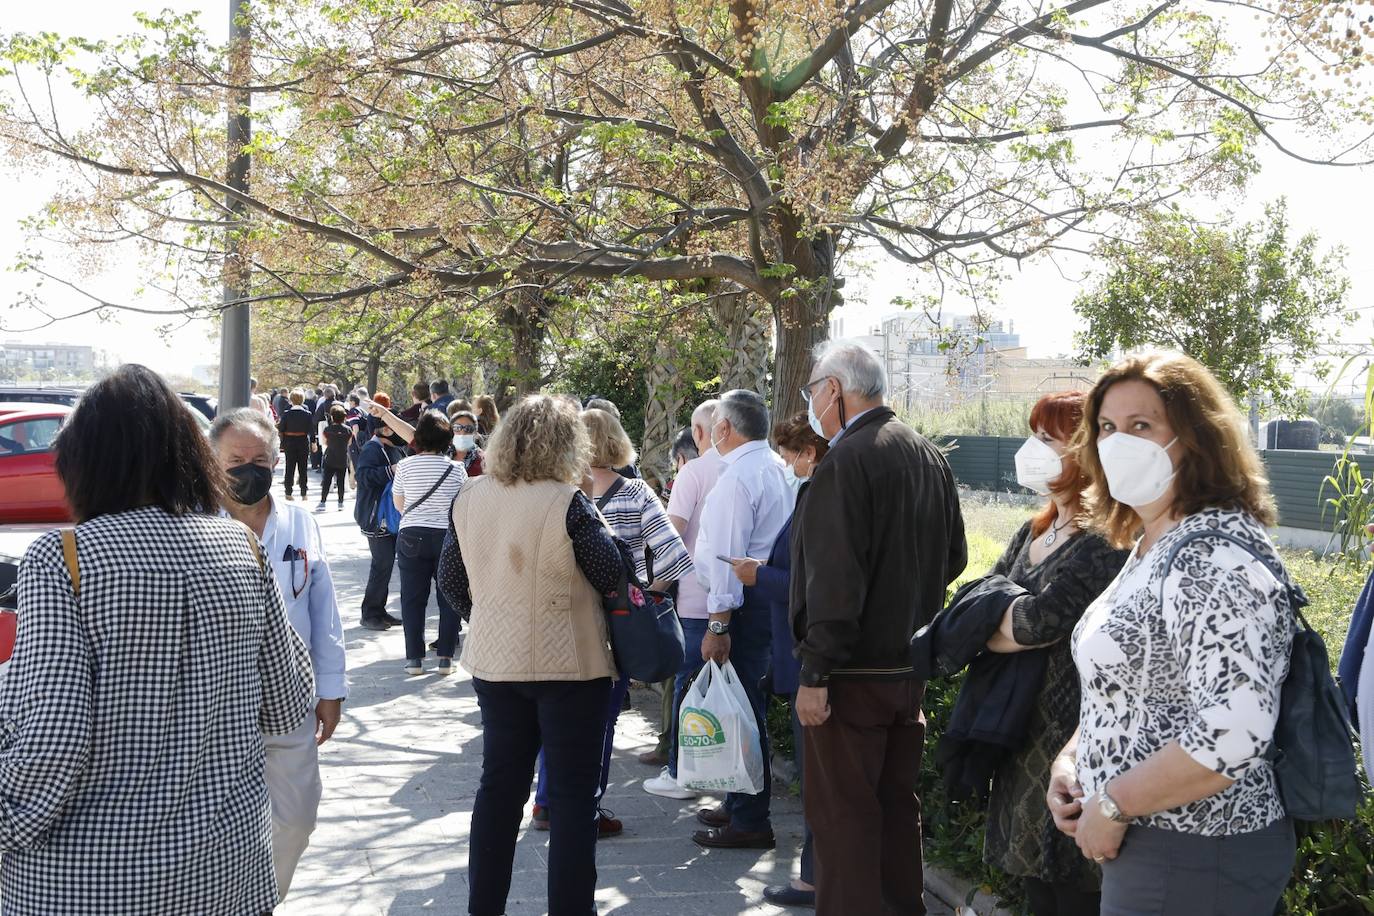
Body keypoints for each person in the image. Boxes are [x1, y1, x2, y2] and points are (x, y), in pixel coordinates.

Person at [6, 364, 314, 914]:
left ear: (83, 462)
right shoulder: (240, 546)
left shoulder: (66, 558)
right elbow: (289, 700)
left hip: (91, 880)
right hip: (228, 872)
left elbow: (52, 741)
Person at [1050, 352, 1296, 916]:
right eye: (1107, 427)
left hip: (1195, 849)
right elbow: (1125, 689)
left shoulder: (1211, 554)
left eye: (1142, 426)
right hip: (1157, 844)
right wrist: (1072, 763)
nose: (1118, 443)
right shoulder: (1154, 543)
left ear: (1195, 439)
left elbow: (1234, 730)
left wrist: (1112, 804)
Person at [791, 339, 967, 915]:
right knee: (895, 809)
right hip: (906, 670)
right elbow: (955, 558)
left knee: (844, 821)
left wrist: (816, 670)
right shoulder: (928, 455)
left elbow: (834, 584)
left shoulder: (846, 460)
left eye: (814, 390)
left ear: (835, 390)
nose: (812, 402)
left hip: (851, 675)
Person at [436, 395, 626, 916]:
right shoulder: (568, 500)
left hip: (496, 663)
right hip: (571, 664)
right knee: (570, 799)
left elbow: (451, 581)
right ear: (568, 446)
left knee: (498, 789)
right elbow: (610, 574)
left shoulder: (470, 496)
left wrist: (494, 611)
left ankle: (485, 908)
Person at [966, 392, 1129, 916]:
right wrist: (1001, 624)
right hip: (1018, 726)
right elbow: (977, 610)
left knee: (1074, 884)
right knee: (1036, 881)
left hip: (1071, 732)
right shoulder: (1031, 529)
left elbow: (1042, 621)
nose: (1032, 449)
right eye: (1032, 434)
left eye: (1047, 438)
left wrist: (1000, 624)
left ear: (1083, 452)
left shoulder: (1106, 540)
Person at [531, 408, 693, 838]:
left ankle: (546, 800)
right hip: (617, 627)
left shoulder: (556, 493)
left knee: (556, 715)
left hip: (560, 621)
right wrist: (646, 593)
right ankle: (586, 804)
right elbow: (676, 557)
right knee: (602, 719)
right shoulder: (637, 493)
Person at [211, 407, 349, 900]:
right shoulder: (194, 527)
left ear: (276, 460)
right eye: (236, 459)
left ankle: (260, 898)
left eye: (261, 458)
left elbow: (324, 610)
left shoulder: (300, 523)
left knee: (295, 817)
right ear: (212, 462)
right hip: (216, 700)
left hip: (290, 695)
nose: (250, 468)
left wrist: (331, 690)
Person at [725, 413, 829, 908]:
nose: (786, 463)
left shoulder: (821, 500)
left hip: (812, 658)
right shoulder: (811, 495)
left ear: (809, 452)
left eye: (790, 454)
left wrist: (758, 577)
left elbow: (812, 589)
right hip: (798, 652)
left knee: (819, 779)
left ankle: (814, 877)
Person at [687, 390, 791, 850]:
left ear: (725, 428)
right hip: (765, 601)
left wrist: (718, 625)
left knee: (745, 709)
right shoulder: (777, 468)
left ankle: (750, 818)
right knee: (743, 706)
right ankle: (738, 802)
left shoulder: (738, 478)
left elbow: (731, 556)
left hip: (744, 607)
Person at [642, 400, 723, 791]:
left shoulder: (693, 472)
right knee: (732, 694)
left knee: (689, 687)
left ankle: (681, 773)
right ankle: (725, 774)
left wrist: (652, 589)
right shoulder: (765, 468)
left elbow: (669, 537)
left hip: (694, 600)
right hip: (743, 601)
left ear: (698, 433)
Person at [392, 410, 466, 674]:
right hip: (447, 535)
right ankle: (446, 657)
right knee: (448, 596)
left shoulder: (405, 466)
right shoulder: (457, 469)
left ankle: (414, 659)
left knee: (412, 598)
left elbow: (399, 503)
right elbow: (462, 505)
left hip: (412, 534)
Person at [355, 395, 406, 631]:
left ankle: (379, 610)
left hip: (390, 517)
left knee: (384, 566)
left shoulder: (393, 448)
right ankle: (370, 613)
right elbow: (362, 478)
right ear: (384, 429)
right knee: (381, 565)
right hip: (376, 518)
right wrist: (389, 471)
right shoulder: (371, 449)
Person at [278, 388, 314, 501]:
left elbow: (281, 428)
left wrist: (282, 442)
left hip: (289, 441)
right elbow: (311, 430)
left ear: (291, 400)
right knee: (303, 468)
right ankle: (304, 492)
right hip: (303, 441)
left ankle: (288, 491)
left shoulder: (287, 414)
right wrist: (313, 442)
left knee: (290, 467)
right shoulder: (307, 414)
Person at [451, 409, 485, 476]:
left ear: (475, 432)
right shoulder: (442, 455)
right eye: (457, 428)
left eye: (468, 429)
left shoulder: (483, 460)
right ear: (451, 430)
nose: (462, 433)